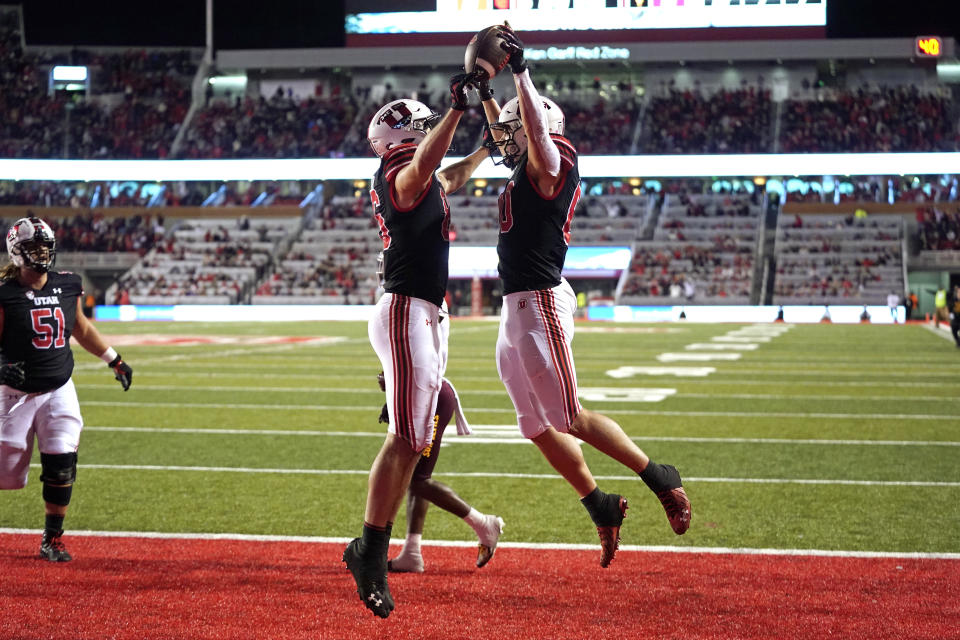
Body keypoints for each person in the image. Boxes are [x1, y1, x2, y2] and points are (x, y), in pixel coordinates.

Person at [438, 26, 690, 569]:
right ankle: (599, 502)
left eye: (515, 128)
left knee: (569, 415)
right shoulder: (526, 164)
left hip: (542, 302)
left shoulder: (556, 161)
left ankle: (656, 474)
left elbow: (532, 135)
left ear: (537, 128)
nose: (506, 137)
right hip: (516, 307)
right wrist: (484, 95)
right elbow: (480, 156)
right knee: (534, 424)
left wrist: (520, 73)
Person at [342, 73, 476, 619]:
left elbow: (449, 175)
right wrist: (458, 112)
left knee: (413, 438)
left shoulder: (416, 175)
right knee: (404, 440)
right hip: (405, 311)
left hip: (422, 311)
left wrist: (486, 150)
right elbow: (426, 167)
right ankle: (370, 553)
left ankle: (372, 547)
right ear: (407, 136)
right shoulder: (400, 170)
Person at [0, 216, 133, 562]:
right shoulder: (4, 294)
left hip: (59, 387)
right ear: (16, 251)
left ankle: (52, 538)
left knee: (62, 462)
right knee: (6, 473)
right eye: (33, 247)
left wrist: (113, 358)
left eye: (45, 247)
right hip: (13, 394)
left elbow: (81, 328)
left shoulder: (67, 284)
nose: (41, 254)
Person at [377, 366, 504, 573]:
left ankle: (484, 524)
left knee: (418, 479)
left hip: (431, 398)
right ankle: (411, 553)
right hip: (421, 396)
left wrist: (391, 381)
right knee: (416, 475)